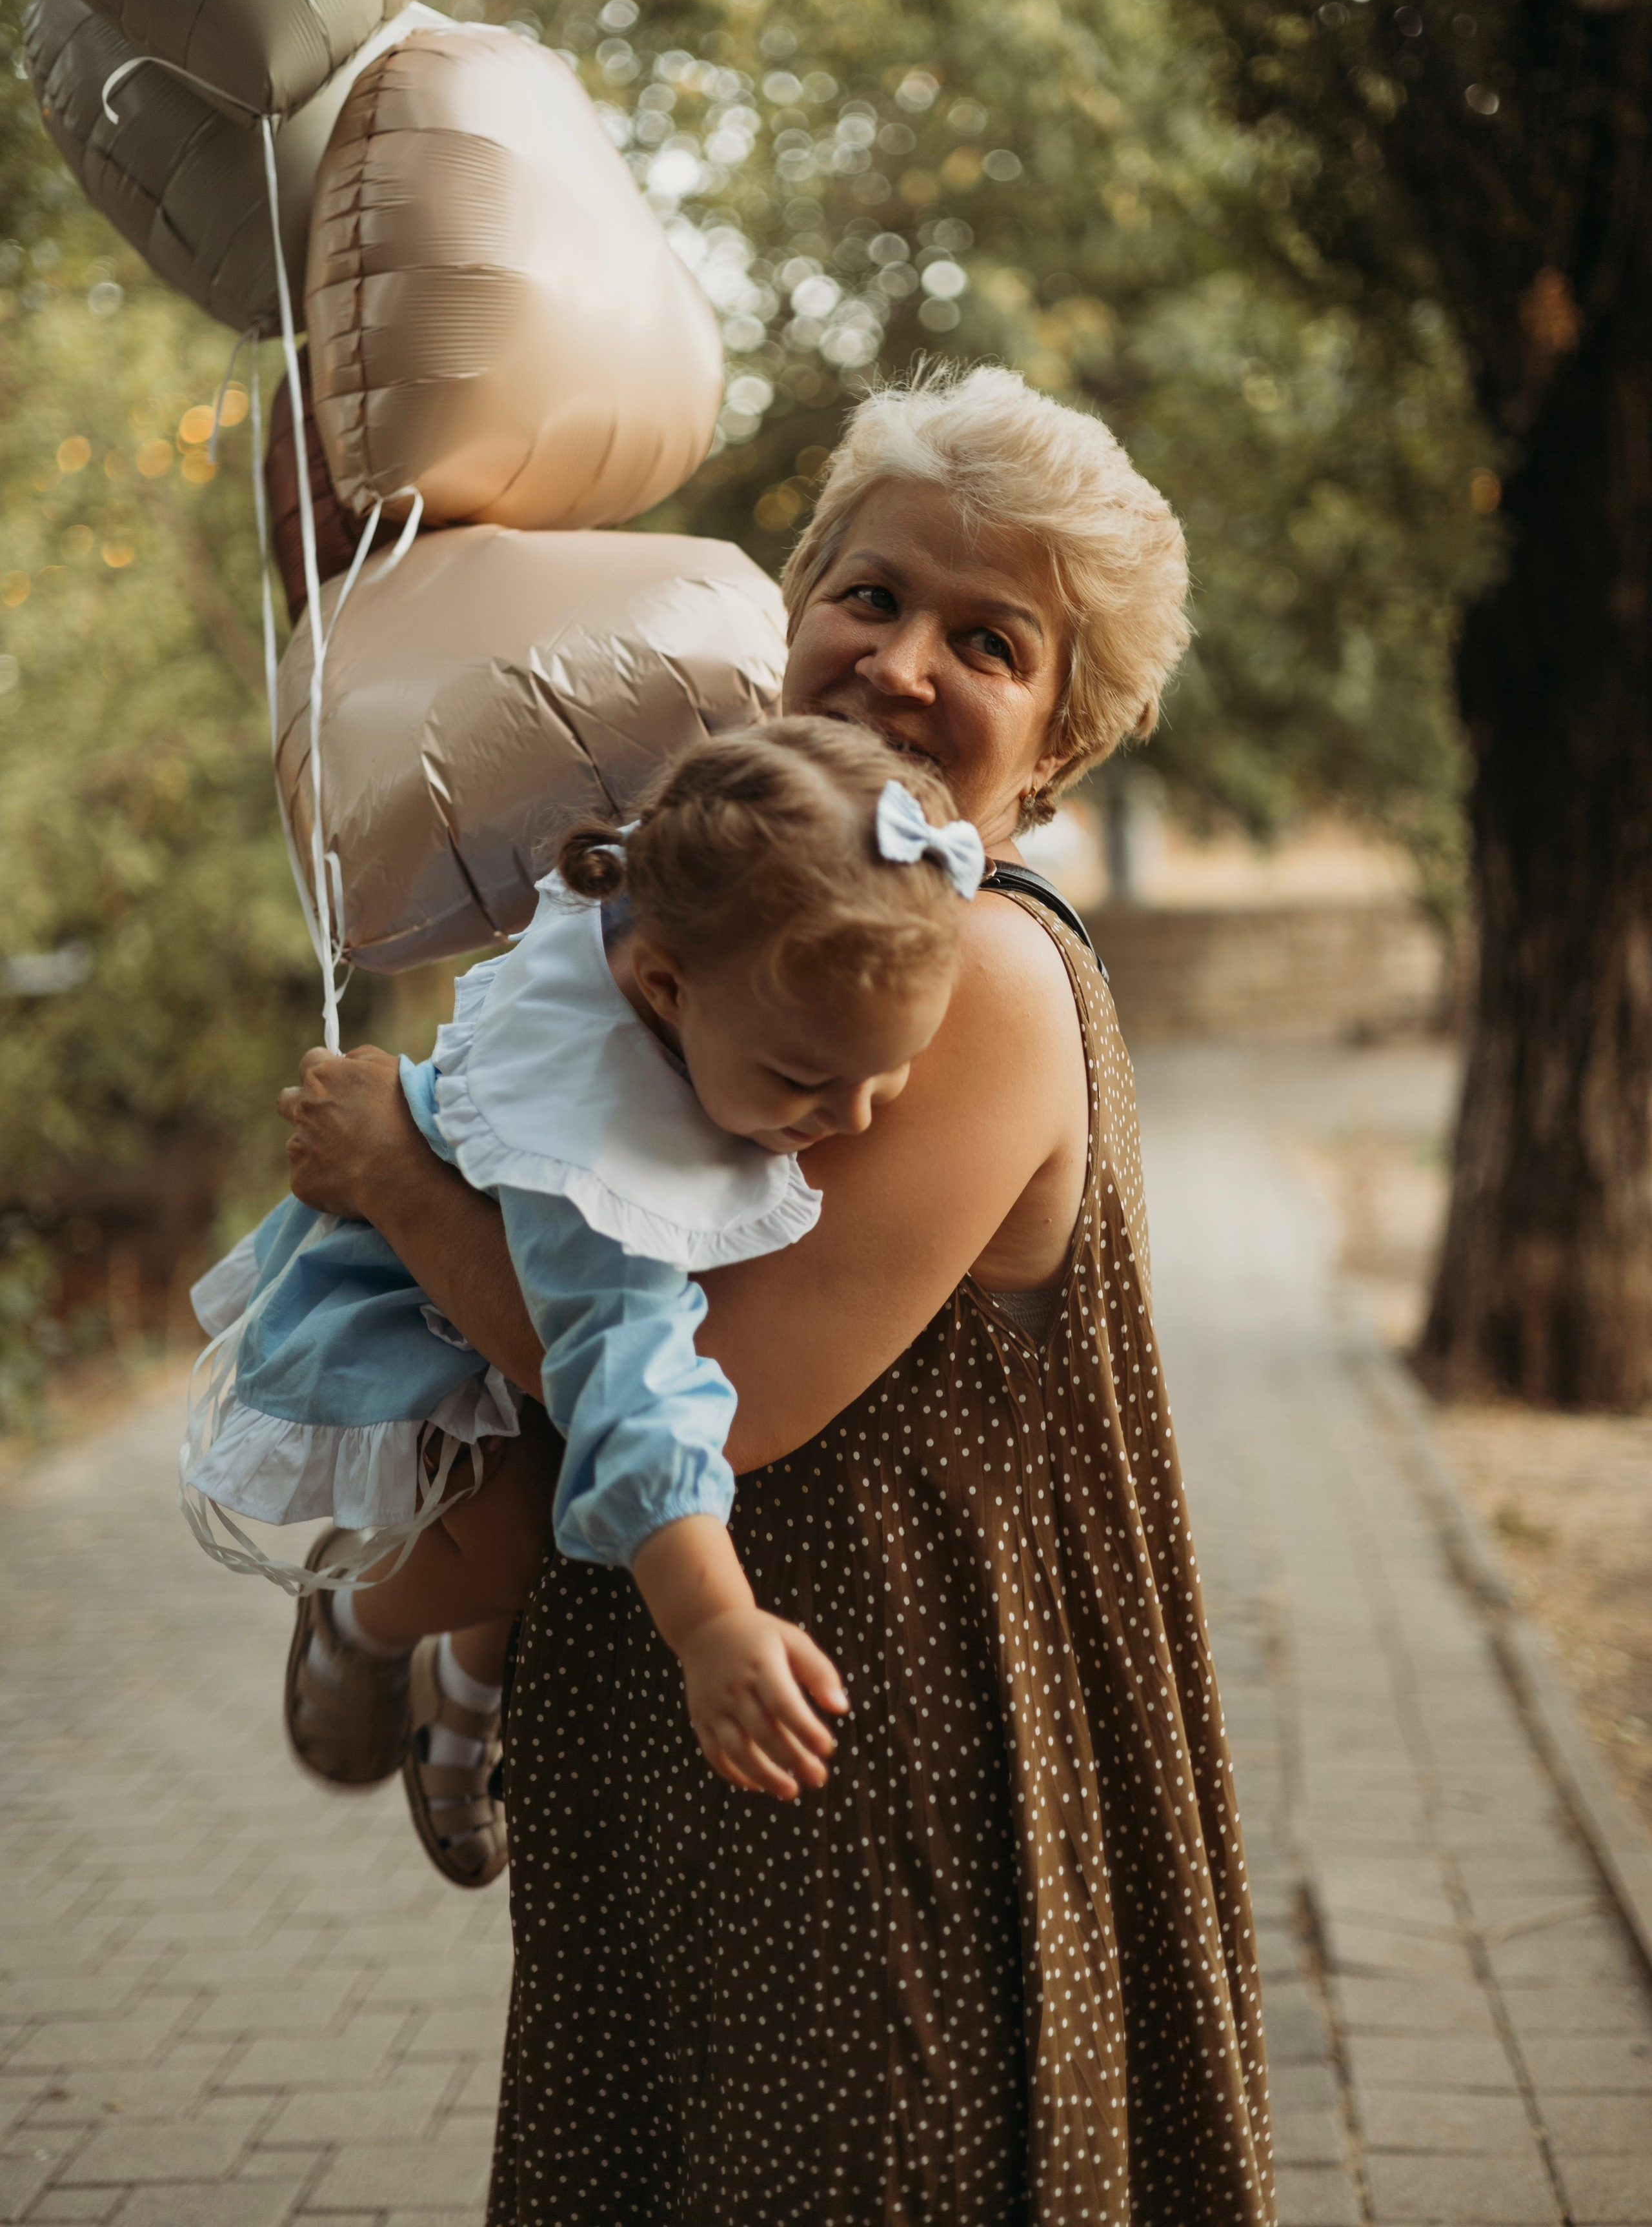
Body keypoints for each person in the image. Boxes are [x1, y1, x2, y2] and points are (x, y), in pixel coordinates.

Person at [277, 365, 1275, 2224]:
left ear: (1061, 740)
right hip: (716, 1777)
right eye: (874, 594)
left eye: (992, 640)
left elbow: (723, 1390)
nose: (903, 662)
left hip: (859, 1790)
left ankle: (396, 1654)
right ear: (794, 609)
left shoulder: (967, 970)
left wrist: (408, 1193)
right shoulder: (754, 922)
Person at [188, 721, 983, 1882]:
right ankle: (379, 1632)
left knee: (547, 1500)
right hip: (446, 1302)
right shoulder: (596, 1157)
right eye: (809, 1082)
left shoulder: (692, 899)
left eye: (888, 1073)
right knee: (515, 1531)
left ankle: (455, 1696)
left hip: (523, 1267)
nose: (857, 1119)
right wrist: (711, 1625)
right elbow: (629, 1380)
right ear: (667, 986)